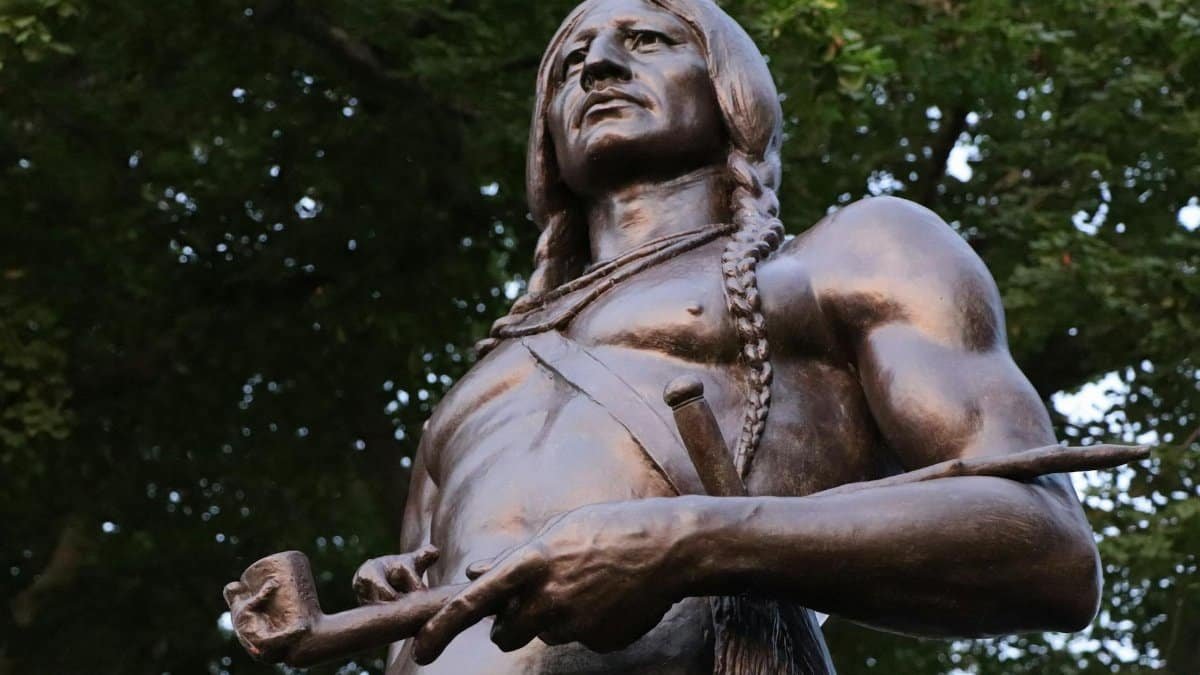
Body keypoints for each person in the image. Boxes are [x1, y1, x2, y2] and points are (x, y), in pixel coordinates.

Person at [352, 0, 1102, 672]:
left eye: (645, 39)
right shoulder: (474, 389)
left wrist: (690, 542)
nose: (599, 65)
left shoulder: (855, 255)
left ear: (731, 91)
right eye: (570, 64)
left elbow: (1047, 549)